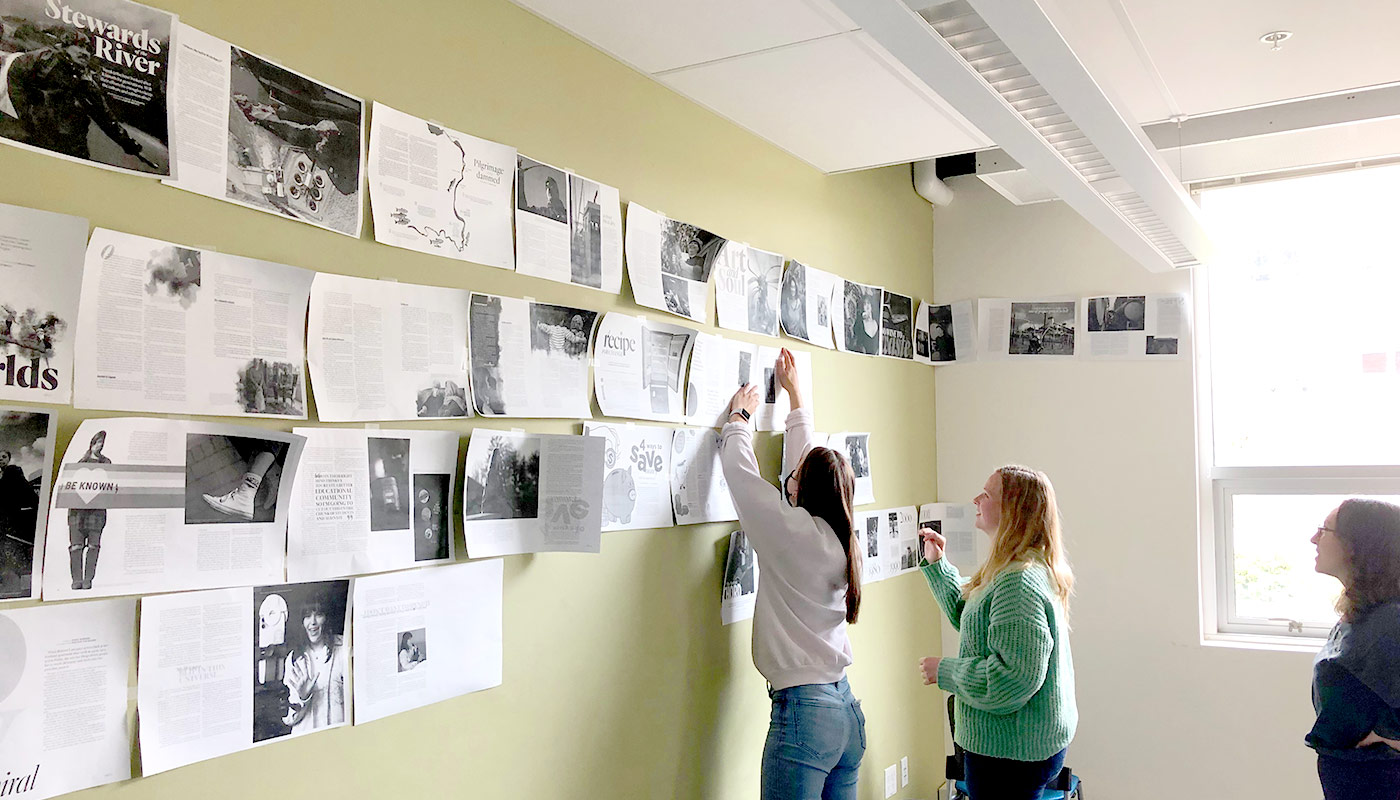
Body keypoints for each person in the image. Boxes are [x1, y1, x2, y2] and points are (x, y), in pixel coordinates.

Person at [719, 347, 866, 800]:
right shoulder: (841, 537)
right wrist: (796, 398)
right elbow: (808, 465)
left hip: (804, 716)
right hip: (845, 714)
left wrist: (739, 421)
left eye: (796, 476)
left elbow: (742, 478)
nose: (790, 478)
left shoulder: (795, 533)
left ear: (805, 489)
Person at [917, 466, 1077, 800]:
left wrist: (944, 670)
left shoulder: (1018, 581)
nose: (976, 499)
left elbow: (1012, 679)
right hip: (1015, 749)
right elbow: (973, 618)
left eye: (987, 494)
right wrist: (938, 565)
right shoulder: (1014, 567)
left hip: (1010, 754)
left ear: (1012, 510)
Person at [1306, 499, 1400, 799]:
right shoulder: (1362, 612)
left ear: (1356, 545)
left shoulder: (1391, 620)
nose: (1314, 538)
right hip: (1349, 778)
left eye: (1324, 530)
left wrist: (1389, 740)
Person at [0, 30, 155, 168]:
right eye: (79, 46)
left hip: (71, 142)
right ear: (65, 46)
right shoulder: (43, 60)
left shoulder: (84, 80)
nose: (85, 53)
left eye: (88, 50)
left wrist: (131, 146)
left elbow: (103, 115)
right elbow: (16, 75)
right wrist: (24, 113)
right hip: (38, 135)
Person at [283, 591, 347, 734]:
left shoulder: (344, 648)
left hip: (339, 738)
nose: (312, 622)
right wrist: (303, 697)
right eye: (307, 616)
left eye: (318, 614)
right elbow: (291, 719)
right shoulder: (294, 659)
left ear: (326, 618)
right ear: (301, 622)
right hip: (306, 743)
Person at [68, 430, 110, 590]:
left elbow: (110, 484)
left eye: (102, 443)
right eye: (98, 442)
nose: (100, 445)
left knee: (94, 546)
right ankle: (76, 579)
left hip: (96, 511)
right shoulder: (80, 463)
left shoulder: (106, 463)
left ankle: (88, 580)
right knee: (76, 546)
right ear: (92, 443)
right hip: (78, 512)